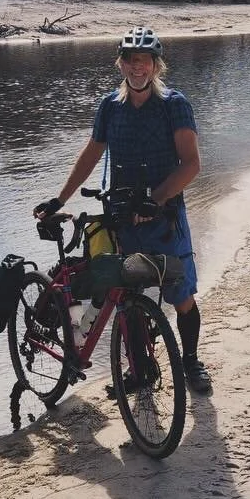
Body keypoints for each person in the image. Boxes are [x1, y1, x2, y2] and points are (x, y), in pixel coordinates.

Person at [34, 26, 212, 394]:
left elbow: (191, 164)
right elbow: (90, 154)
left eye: (144, 61)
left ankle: (191, 362)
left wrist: (157, 198)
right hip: (123, 218)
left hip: (165, 220)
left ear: (156, 66)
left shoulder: (174, 105)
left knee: (181, 296)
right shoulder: (110, 107)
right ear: (121, 65)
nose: (137, 68)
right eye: (130, 61)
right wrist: (59, 199)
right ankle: (138, 370)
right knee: (127, 299)